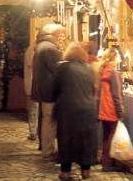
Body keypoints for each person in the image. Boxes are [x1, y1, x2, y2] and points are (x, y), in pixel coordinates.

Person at [53, 42, 98, 180]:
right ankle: (86, 170)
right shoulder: (90, 69)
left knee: (66, 138)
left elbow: (55, 87)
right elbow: (93, 89)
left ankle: (65, 171)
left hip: (68, 109)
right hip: (88, 108)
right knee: (87, 139)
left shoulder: (62, 67)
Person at [31, 23, 67, 160]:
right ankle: (48, 150)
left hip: (44, 90)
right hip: (50, 91)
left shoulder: (42, 46)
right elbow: (58, 70)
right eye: (61, 34)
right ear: (55, 34)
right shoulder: (49, 49)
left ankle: (46, 147)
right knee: (49, 121)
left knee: (46, 119)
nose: (62, 38)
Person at [97, 47, 124, 172]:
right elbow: (116, 94)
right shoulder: (113, 73)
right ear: (115, 58)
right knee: (112, 136)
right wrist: (120, 111)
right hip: (111, 108)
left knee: (106, 136)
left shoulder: (102, 71)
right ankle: (109, 163)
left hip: (103, 108)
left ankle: (105, 161)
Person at [23, 38, 38, 141]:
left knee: (34, 109)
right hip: (33, 85)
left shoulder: (33, 49)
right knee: (33, 109)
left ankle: (34, 131)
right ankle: (33, 131)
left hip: (34, 85)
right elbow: (31, 65)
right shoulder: (32, 50)